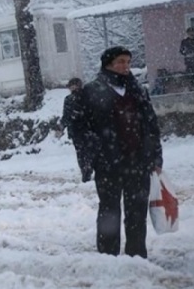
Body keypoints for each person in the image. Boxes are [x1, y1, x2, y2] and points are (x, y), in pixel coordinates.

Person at [69, 46, 163, 259]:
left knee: (137, 212)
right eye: (121, 61)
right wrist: (93, 153)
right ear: (109, 64)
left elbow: (151, 125)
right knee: (109, 212)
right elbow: (79, 128)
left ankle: (136, 255)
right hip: (108, 163)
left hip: (138, 161)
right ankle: (108, 257)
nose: (125, 66)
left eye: (128, 62)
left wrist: (155, 156)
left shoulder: (137, 90)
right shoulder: (92, 91)